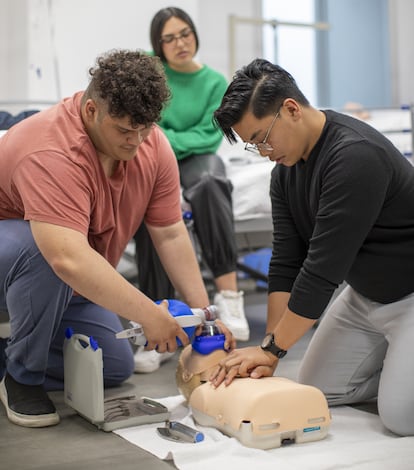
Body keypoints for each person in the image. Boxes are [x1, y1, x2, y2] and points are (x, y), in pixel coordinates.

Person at [0, 49, 235, 428]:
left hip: (63, 282)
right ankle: (22, 377)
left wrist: (203, 315)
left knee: (113, 363)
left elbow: (171, 233)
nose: (137, 142)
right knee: (42, 250)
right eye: (125, 131)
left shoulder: (151, 145)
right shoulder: (49, 150)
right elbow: (66, 257)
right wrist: (149, 315)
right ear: (92, 111)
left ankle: (10, 355)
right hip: (21, 260)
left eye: (145, 129)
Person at [210, 58, 414, 437]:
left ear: (291, 109)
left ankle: (401, 383)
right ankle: (398, 373)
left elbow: (322, 270)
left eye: (261, 138)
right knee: (319, 391)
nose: (264, 152)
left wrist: (271, 351)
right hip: (365, 298)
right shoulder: (284, 174)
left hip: (410, 295)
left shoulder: (354, 156)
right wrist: (270, 349)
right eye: (254, 146)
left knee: (401, 419)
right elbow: (287, 260)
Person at [133, 6, 249, 374]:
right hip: (154, 155)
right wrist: (166, 141)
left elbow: (209, 136)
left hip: (196, 158)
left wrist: (170, 140)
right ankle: (157, 319)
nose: (179, 43)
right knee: (151, 203)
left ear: (195, 34)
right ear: (158, 45)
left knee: (212, 182)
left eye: (184, 33)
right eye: (168, 38)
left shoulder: (215, 83)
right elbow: (147, 126)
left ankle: (228, 295)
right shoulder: (150, 71)